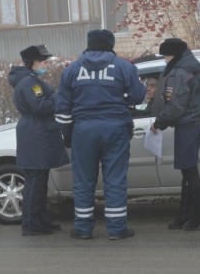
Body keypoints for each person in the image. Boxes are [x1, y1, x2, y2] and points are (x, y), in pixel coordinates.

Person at [55, 29, 146, 240]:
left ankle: (83, 229)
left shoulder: (72, 69)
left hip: (83, 131)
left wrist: (67, 135)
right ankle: (116, 229)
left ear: (89, 45)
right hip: (115, 129)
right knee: (114, 179)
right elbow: (137, 96)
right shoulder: (124, 66)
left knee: (84, 181)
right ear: (110, 45)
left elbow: (63, 109)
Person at [150, 38, 200, 231]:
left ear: (174, 55)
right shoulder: (191, 67)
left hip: (187, 124)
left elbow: (177, 105)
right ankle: (184, 216)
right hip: (194, 122)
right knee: (187, 173)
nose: (165, 60)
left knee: (190, 173)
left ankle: (199, 217)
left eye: (166, 56)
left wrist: (159, 123)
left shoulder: (180, 72)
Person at [8, 44, 69, 236]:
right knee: (35, 181)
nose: (45, 65)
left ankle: (41, 220)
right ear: (33, 62)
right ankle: (31, 224)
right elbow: (40, 106)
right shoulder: (29, 82)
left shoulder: (30, 79)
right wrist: (58, 96)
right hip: (36, 132)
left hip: (37, 131)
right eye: (43, 61)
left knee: (40, 181)